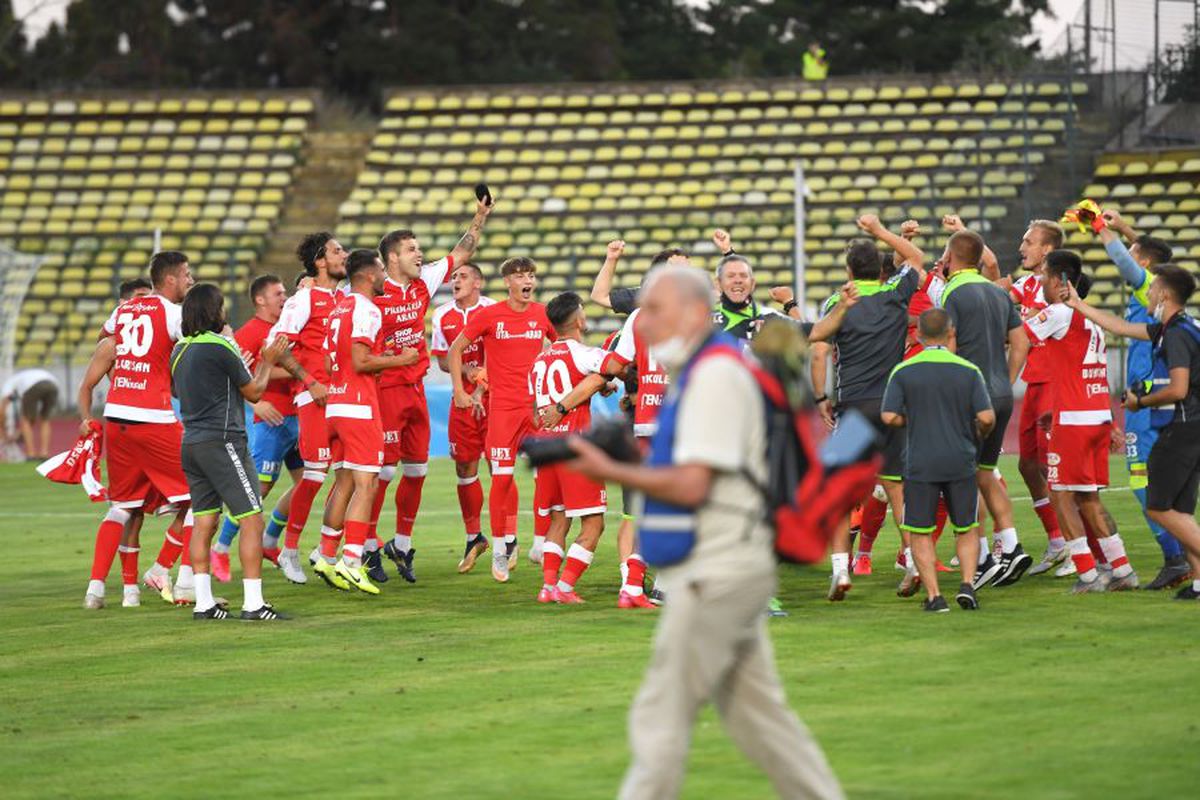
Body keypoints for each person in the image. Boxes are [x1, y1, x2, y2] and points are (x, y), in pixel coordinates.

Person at [567, 264, 843, 800]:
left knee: (660, 715)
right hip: (727, 564)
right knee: (763, 722)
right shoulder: (701, 371)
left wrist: (610, 470)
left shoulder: (714, 374)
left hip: (718, 568)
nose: (644, 323)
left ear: (694, 312)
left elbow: (695, 484)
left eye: (656, 310)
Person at [370, 196, 493, 583]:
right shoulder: (373, 291)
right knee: (382, 472)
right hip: (384, 388)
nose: (419, 254)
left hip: (414, 389)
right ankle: (367, 547)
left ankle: (402, 544)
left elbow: (461, 251)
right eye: (411, 250)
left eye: (419, 248)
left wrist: (479, 218)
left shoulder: (424, 282)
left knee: (418, 469)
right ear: (392, 258)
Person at [1062, 263, 1200, 601]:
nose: (1148, 294)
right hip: (1192, 426)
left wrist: (1141, 401)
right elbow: (1122, 328)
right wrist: (1079, 305)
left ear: (1165, 294)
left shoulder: (1177, 333)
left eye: (1153, 289)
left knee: (1158, 507)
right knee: (1180, 511)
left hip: (1181, 426)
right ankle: (1198, 583)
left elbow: (1179, 388)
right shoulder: (1178, 327)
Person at [810, 214, 925, 601]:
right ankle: (912, 563)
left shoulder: (837, 301)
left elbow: (820, 352)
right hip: (893, 406)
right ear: (880, 268)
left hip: (854, 408)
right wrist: (880, 231)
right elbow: (917, 258)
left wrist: (820, 398)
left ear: (848, 270)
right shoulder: (895, 293)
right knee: (897, 490)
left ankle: (841, 571)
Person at [78, 251, 196, 609]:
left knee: (122, 506)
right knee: (204, 494)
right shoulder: (173, 313)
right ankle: (178, 577)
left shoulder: (124, 311)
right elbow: (194, 348)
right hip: (153, 418)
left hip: (117, 418)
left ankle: (96, 590)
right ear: (171, 279)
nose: (190, 281)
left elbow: (106, 338)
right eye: (187, 274)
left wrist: (125, 370)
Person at [169, 283, 290, 620]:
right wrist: (267, 362)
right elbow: (254, 392)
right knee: (252, 517)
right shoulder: (221, 346)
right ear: (214, 311)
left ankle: (204, 603)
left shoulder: (178, 349)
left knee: (205, 520)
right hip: (223, 441)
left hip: (191, 442)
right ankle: (254, 603)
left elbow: (177, 391)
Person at [1024, 251, 1138, 593]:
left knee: (1060, 496)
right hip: (1096, 417)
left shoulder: (1059, 313)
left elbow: (1016, 334)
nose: (1040, 283)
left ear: (1061, 282)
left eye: (1044, 276)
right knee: (1088, 498)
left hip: (1074, 423)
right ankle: (1122, 570)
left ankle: (1088, 575)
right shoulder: (1092, 321)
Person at [1088, 208, 1189, 589]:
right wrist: (1125, 229)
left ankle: (1176, 557)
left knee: (1142, 482)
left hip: (1146, 405)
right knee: (1168, 483)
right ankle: (1183, 557)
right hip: (1162, 403)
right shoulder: (1163, 287)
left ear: (1144, 264)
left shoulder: (1145, 284)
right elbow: (1147, 255)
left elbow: (1129, 262)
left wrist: (1101, 228)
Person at [311, 249, 418, 594]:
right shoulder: (367, 308)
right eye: (383, 271)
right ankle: (353, 560)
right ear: (370, 276)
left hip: (336, 404)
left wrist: (377, 359)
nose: (387, 277)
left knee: (343, 482)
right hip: (359, 406)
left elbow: (331, 365)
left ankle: (327, 555)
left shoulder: (338, 307)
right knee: (366, 484)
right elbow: (359, 361)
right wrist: (400, 358)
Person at [448, 256, 555, 582]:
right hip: (503, 411)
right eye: (521, 276)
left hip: (535, 409)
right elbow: (455, 350)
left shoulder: (543, 314)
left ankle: (539, 543)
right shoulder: (490, 315)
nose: (528, 281)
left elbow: (564, 344)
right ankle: (500, 548)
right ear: (508, 281)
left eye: (532, 275)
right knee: (502, 478)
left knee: (547, 473)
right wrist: (459, 391)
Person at [881, 309, 995, 612]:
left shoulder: (903, 370)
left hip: (921, 460)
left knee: (919, 531)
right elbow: (986, 417)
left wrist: (913, 420)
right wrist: (977, 432)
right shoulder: (968, 370)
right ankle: (968, 585)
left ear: (918, 335)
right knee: (966, 527)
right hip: (960, 458)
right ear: (951, 333)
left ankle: (934, 597)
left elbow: (889, 415)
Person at [939, 229, 1033, 589]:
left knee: (962, 478)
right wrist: (1004, 383)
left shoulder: (952, 292)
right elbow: (1020, 343)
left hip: (968, 397)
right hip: (1000, 394)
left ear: (950, 257)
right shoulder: (997, 292)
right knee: (985, 473)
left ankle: (980, 558)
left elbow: (950, 344)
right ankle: (1010, 544)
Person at [211, 274, 302, 583]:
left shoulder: (285, 329)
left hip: (298, 415)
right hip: (272, 421)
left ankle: (269, 540)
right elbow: (237, 375)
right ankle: (220, 548)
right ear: (260, 300)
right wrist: (256, 405)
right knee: (257, 490)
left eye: (284, 291)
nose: (284, 296)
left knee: (306, 485)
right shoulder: (249, 333)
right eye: (278, 293)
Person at [271, 232, 345, 583]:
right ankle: (289, 550)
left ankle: (327, 550)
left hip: (344, 400)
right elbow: (277, 348)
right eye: (336, 250)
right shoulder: (303, 300)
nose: (343, 254)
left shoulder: (344, 299)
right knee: (314, 476)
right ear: (320, 261)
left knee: (352, 475)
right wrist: (309, 380)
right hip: (313, 397)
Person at [528, 292, 612, 604]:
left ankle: (548, 587)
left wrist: (599, 384)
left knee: (559, 519)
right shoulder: (583, 353)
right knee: (594, 523)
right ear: (578, 319)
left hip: (547, 448)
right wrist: (606, 379)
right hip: (576, 449)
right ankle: (565, 587)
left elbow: (536, 410)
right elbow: (613, 365)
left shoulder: (539, 361)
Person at [1009, 220, 1070, 571]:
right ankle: (1058, 541)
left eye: (1028, 241)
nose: (1022, 247)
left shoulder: (1060, 285)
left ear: (1047, 250)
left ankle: (1082, 550)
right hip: (1035, 382)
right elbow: (998, 292)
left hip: (1056, 383)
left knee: (1056, 469)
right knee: (1028, 464)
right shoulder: (1027, 282)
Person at [430, 262, 496, 573]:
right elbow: (443, 359)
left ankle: (507, 538)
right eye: (455, 276)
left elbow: (502, 355)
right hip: (462, 400)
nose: (456, 280)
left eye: (463, 276)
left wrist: (483, 384)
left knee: (499, 464)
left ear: (479, 282)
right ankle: (474, 538)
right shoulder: (442, 314)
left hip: (495, 398)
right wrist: (466, 373)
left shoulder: (494, 310)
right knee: (465, 466)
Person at [1, 367, 61, 460]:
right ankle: (44, 453)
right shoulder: (22, 379)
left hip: (33, 386)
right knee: (45, 419)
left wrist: (3, 430)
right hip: (53, 385)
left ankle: (31, 454)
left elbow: (2, 410)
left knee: (25, 419)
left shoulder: (9, 384)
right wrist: (19, 434)